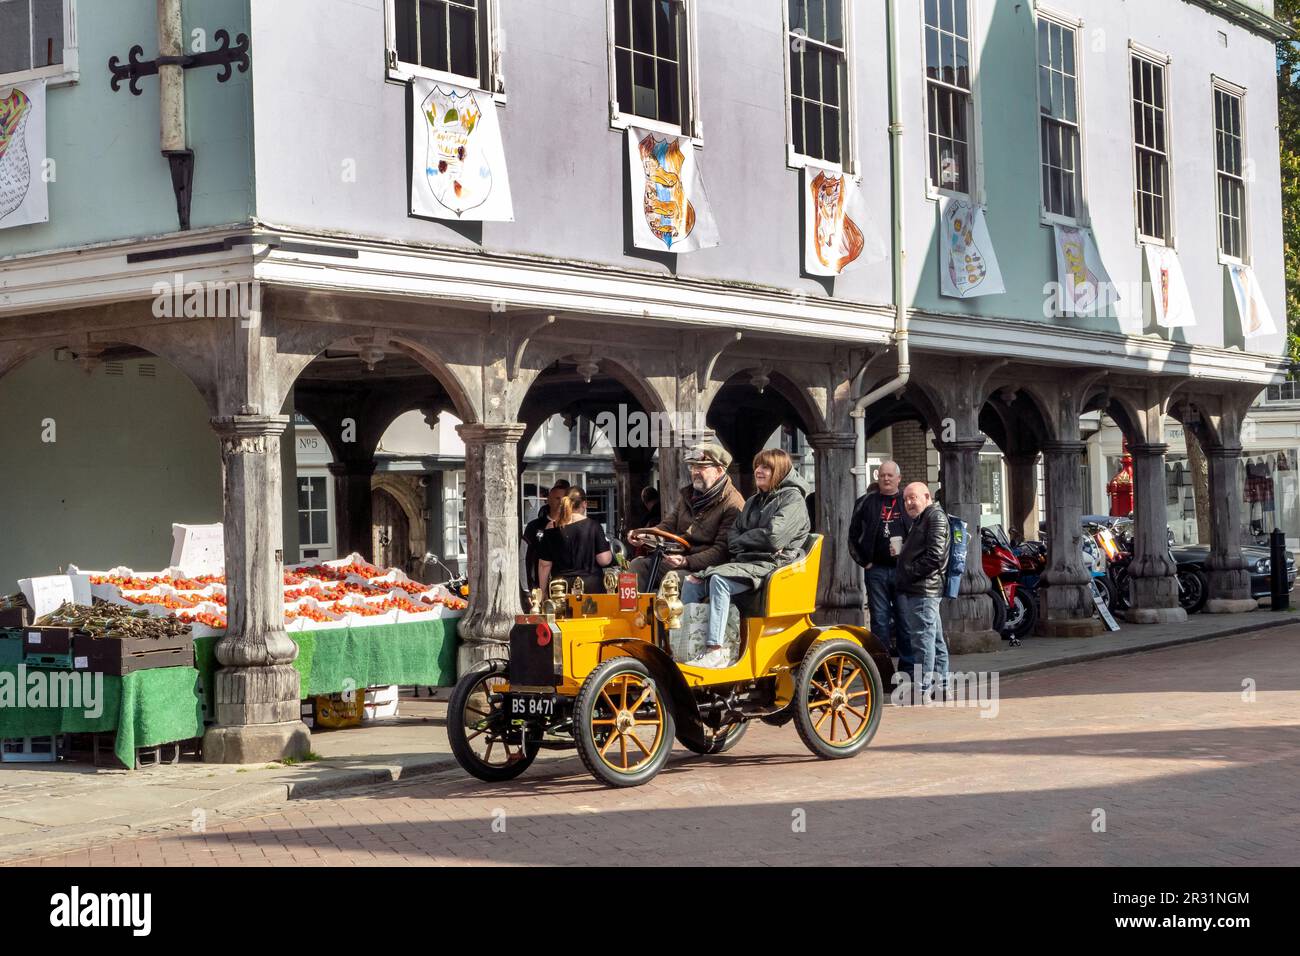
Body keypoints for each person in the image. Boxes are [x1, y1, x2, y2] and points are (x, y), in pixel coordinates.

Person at [680, 449, 811, 668]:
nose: (758, 471)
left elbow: (773, 538)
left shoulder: (793, 499)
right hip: (747, 563)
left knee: (718, 580)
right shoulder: (753, 501)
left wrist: (744, 539)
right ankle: (685, 645)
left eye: (766, 467)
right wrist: (748, 540)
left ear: (779, 471)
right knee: (692, 582)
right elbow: (733, 536)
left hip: (772, 566)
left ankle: (716, 649)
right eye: (758, 466)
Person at [627, 443, 744, 592]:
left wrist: (685, 561)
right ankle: (633, 613)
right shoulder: (688, 496)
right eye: (692, 467)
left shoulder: (733, 504)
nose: (695, 472)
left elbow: (722, 551)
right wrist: (643, 534)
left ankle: (660, 615)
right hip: (678, 559)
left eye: (701, 467)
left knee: (672, 579)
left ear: (719, 471)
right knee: (638, 566)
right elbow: (667, 526)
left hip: (708, 568)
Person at [848, 460, 914, 671]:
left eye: (890, 475)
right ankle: (882, 672)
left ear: (898, 479)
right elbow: (853, 534)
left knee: (905, 621)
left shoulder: (907, 501)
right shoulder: (866, 502)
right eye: (882, 475)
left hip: (903, 572)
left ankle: (908, 670)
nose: (886, 479)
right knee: (879, 623)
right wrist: (863, 561)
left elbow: (921, 532)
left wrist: (911, 559)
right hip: (875, 570)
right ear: (877, 477)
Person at [895, 481, 950, 700]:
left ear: (927, 497)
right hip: (921, 589)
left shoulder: (934, 518)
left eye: (913, 497)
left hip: (923, 589)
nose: (908, 502)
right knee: (934, 638)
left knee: (922, 640)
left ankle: (924, 689)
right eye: (906, 498)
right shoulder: (923, 518)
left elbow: (935, 556)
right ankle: (942, 685)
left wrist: (908, 571)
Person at [537, 487, 613, 594]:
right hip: (590, 586)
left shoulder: (551, 527)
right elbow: (604, 559)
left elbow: (544, 565)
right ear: (584, 504)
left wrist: (543, 592)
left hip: (560, 587)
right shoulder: (593, 526)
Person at [523, 480, 570, 591]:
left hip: (566, 583)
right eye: (557, 498)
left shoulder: (573, 526)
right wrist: (528, 589)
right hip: (540, 583)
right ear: (548, 500)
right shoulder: (534, 526)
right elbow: (525, 558)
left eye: (564, 500)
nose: (560, 503)